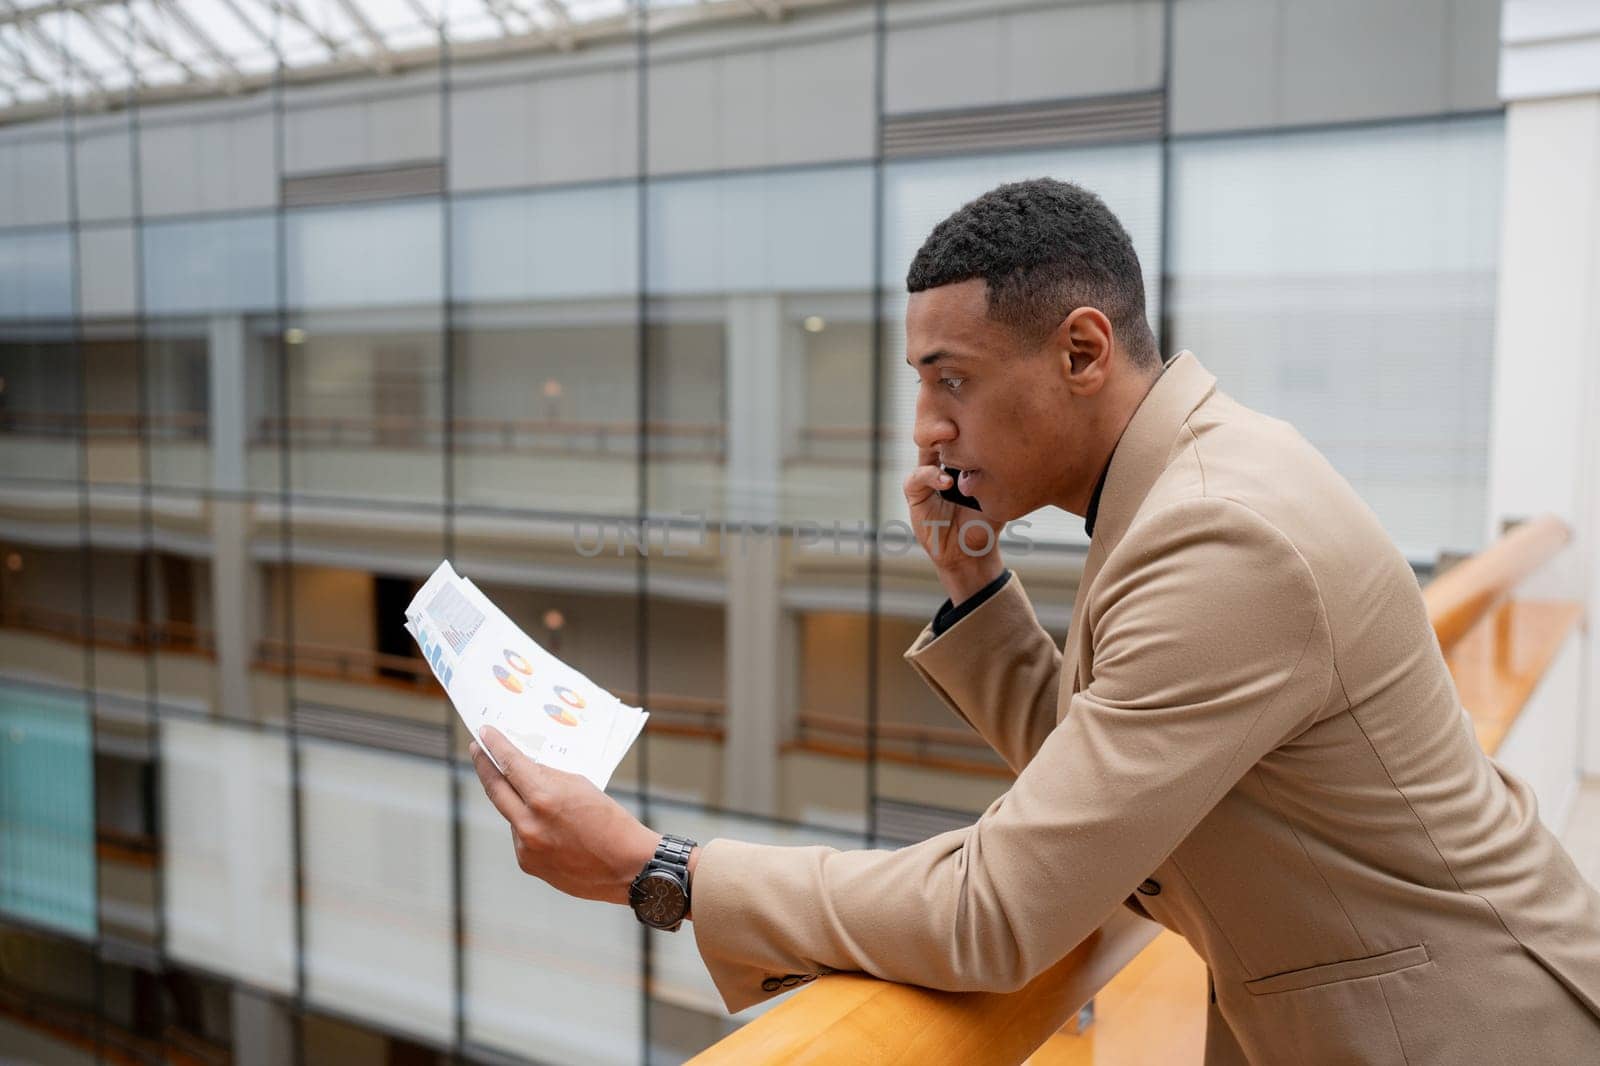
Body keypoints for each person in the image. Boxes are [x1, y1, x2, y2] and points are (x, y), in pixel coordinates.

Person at [469, 178, 1600, 1064]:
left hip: (1475, 1032)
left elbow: (1000, 906)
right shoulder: (1192, 485)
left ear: (1082, 352)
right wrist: (976, 591)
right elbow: (1106, 784)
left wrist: (659, 866)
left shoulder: (1219, 536)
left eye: (948, 380)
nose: (924, 429)